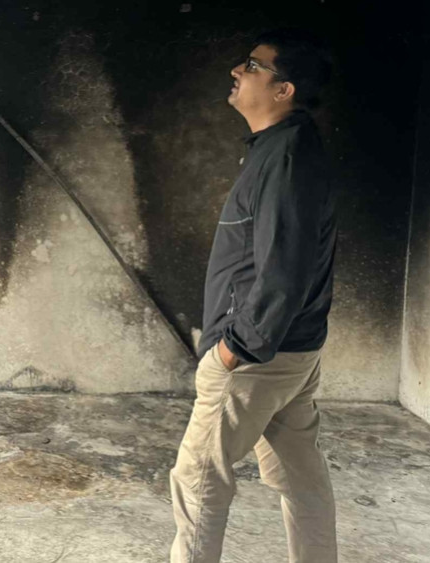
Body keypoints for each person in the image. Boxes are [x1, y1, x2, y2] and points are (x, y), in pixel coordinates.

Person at [170, 30, 337, 563]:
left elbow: (282, 268)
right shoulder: (285, 147)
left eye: (252, 66)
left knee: (198, 481)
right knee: (301, 479)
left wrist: (234, 349)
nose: (236, 71)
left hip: (256, 359)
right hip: (292, 352)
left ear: (284, 90)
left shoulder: (286, 157)